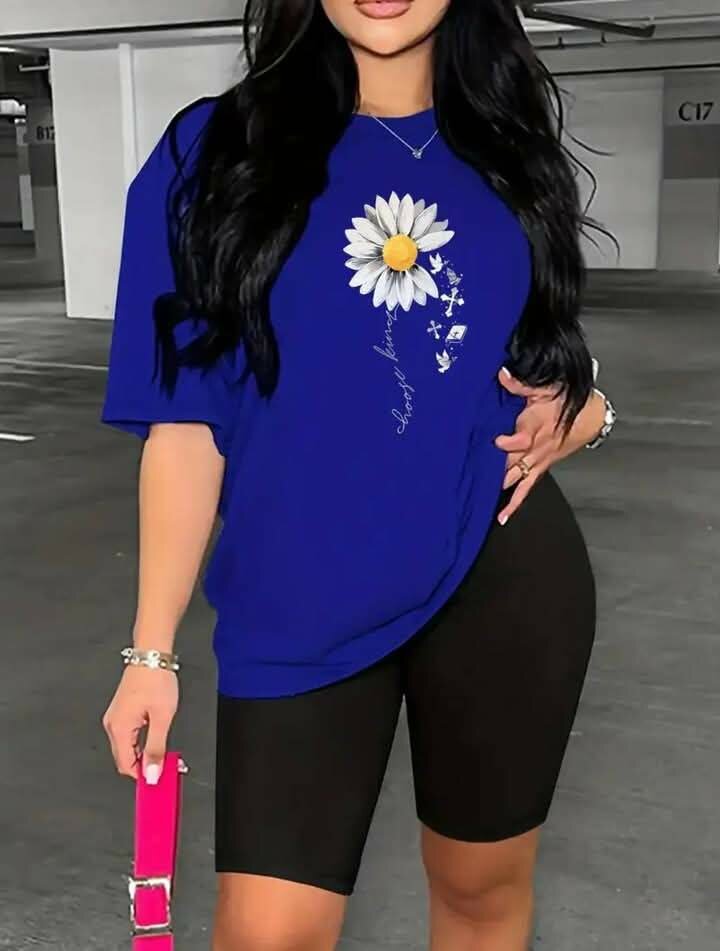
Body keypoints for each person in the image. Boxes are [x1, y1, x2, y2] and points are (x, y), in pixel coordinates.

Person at [100, 1, 617, 948]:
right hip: (298, 591)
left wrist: (582, 410)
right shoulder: (215, 152)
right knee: (267, 931)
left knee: (480, 895)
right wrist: (151, 651)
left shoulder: (507, 150)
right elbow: (185, 422)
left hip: (499, 570)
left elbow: (545, 364)